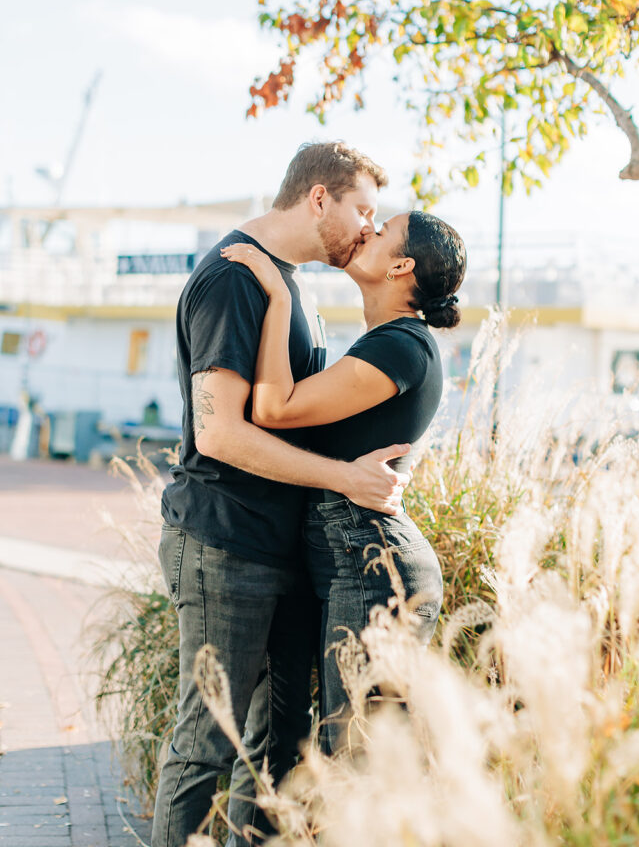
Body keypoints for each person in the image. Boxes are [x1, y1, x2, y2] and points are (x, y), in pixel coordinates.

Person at [152, 142, 412, 847]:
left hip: (274, 548)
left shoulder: (283, 284)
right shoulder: (234, 279)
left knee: (272, 751)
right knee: (207, 743)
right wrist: (344, 478)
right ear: (318, 198)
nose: (368, 226)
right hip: (222, 541)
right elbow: (221, 436)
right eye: (362, 209)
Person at [221, 209, 466, 753]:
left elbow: (273, 408)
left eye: (382, 232)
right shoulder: (389, 341)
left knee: (356, 759)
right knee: (353, 755)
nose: (366, 231)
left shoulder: (401, 345)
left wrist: (280, 299)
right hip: (359, 562)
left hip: (375, 568)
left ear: (401, 265)